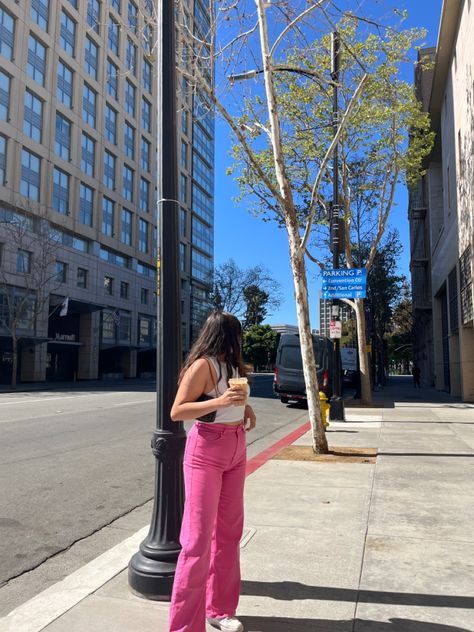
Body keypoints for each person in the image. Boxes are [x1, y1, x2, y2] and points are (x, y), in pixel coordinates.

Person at [168, 311, 257, 632]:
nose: (240, 341)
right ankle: (184, 626)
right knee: (197, 540)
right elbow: (178, 410)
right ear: (225, 335)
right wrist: (220, 401)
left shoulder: (232, 366)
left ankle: (219, 609)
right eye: (237, 335)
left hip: (236, 445)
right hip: (206, 450)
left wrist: (244, 408)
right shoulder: (202, 365)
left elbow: (228, 402)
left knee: (230, 534)